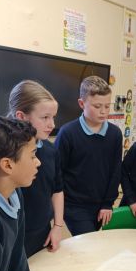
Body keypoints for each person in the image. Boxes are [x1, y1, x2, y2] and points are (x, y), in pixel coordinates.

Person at [55, 75, 122, 236]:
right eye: (97, 106)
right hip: (74, 206)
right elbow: (57, 172)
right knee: (89, 242)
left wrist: (107, 204)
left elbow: (115, 170)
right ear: (81, 103)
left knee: (95, 244)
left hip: (102, 205)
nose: (104, 111)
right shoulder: (67, 133)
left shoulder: (115, 134)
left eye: (107, 106)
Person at [8, 80, 64, 257]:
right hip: (12, 235)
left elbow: (57, 189)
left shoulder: (49, 150)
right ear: (21, 116)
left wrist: (57, 226)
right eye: (45, 117)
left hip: (41, 233)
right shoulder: (4, 155)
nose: (52, 124)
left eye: (53, 117)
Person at [0, 117, 40, 271]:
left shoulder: (14, 193)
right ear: (7, 165)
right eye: (32, 156)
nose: (38, 162)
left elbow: (16, 251)